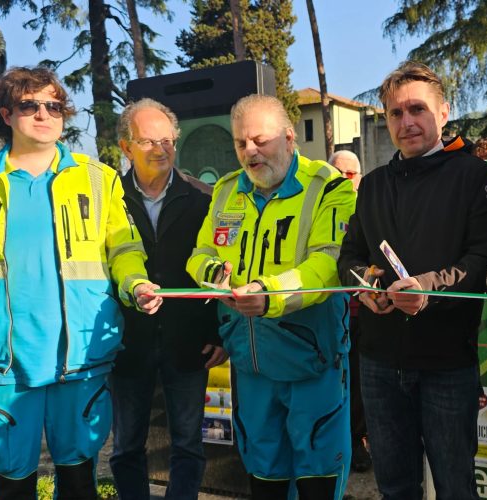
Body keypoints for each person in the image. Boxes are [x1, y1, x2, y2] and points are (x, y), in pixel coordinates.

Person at [0, 66, 162, 498]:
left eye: (53, 105)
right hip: (2, 361)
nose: (44, 113)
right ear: (6, 114)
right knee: (12, 482)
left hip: (81, 357)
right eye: (29, 105)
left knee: (78, 482)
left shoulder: (99, 177)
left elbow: (124, 250)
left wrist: (136, 285)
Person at [337, 61, 487, 499]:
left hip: (447, 362)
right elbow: (351, 258)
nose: (407, 122)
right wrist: (369, 290)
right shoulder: (372, 185)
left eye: (418, 109)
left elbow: (482, 259)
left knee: (455, 487)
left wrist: (429, 287)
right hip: (377, 362)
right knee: (394, 487)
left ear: (444, 113)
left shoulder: (474, 176)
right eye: (396, 113)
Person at [186, 94, 356, 500]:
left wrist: (268, 294)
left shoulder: (329, 187)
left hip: (311, 360)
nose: (250, 152)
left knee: (318, 474)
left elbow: (329, 263)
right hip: (250, 361)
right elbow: (200, 256)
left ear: (289, 137)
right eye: (240, 144)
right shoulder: (225, 191)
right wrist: (217, 276)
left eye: (260, 141)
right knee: (263, 475)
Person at [110, 98, 227, 499]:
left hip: (187, 341)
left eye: (167, 140)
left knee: (189, 444)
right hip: (127, 343)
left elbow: (217, 268)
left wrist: (218, 332)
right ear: (125, 147)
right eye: (148, 141)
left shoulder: (203, 198)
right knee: (126, 446)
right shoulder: (109, 201)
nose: (161, 149)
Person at [327, 149, 370, 473]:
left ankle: (356, 444)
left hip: (361, 313)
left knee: (358, 385)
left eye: (349, 174)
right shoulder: (320, 208)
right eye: (336, 173)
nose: (342, 179)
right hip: (327, 312)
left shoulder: (368, 207)